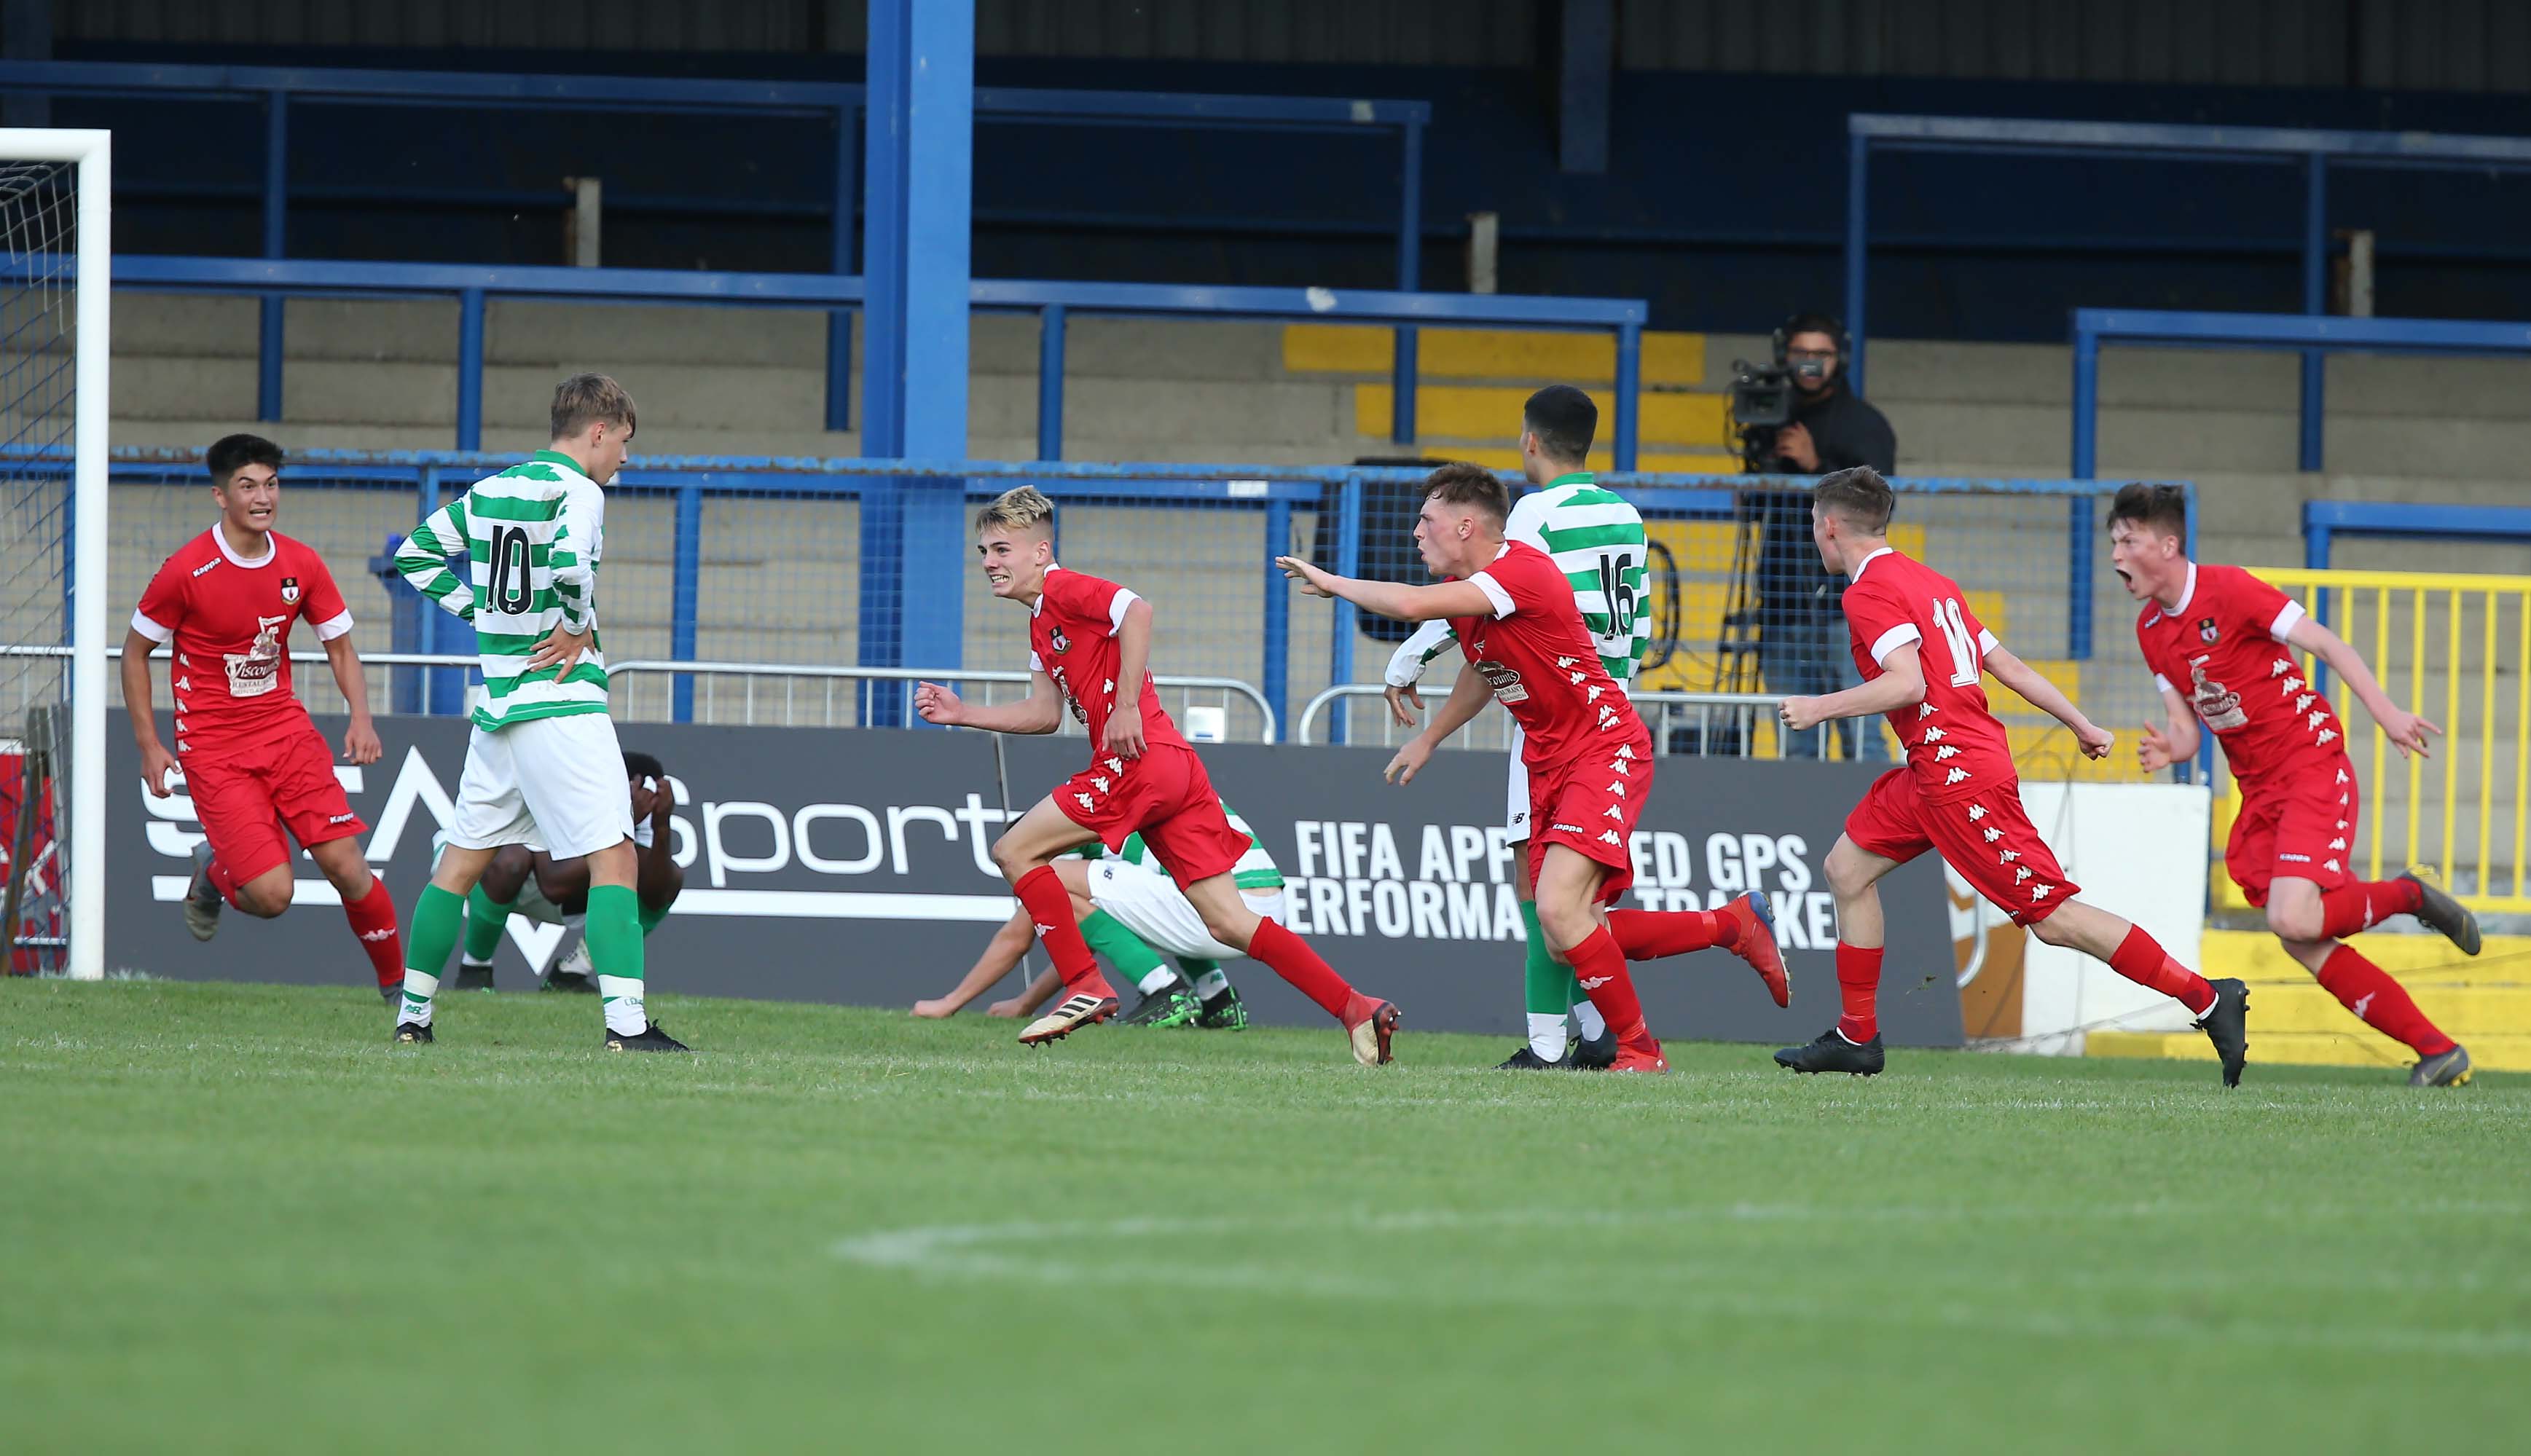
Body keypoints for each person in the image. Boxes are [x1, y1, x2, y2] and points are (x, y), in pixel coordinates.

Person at [1282, 463, 1790, 1075]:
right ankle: (1730, 925)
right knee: (1564, 930)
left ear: (1466, 524)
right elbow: (1483, 672)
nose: (1416, 531)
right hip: (1554, 763)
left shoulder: (1518, 568)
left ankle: (1639, 1049)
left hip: (1604, 749)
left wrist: (1331, 580)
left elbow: (1412, 604)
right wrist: (1432, 739)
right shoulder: (1477, 595)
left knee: (1555, 910)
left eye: (1427, 519)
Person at [1773, 468, 2251, 1083]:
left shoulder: (1865, 593)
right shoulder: (1933, 583)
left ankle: (2207, 998)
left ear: (1830, 526)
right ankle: (1856, 1035)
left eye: (1815, 527)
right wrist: (2081, 723)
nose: (1816, 538)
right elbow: (2007, 666)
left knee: (2054, 918)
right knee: (1846, 869)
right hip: (1931, 772)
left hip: (1959, 777)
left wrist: (1818, 706)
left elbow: (1907, 682)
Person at [915, 487, 1401, 1063]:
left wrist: (1123, 705)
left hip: (1136, 761)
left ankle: (1086, 984)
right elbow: (1044, 714)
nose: (990, 562)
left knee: (1015, 851)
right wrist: (963, 712)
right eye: (983, 551)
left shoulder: (1063, 586)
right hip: (1172, 766)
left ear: (1041, 550)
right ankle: (1355, 1007)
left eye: (1002, 549)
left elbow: (1136, 609)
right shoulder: (1041, 625)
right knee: (1228, 922)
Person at [2109, 483, 2477, 1087]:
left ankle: (2410, 897)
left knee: (2294, 916)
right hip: (2259, 793)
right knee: (2299, 936)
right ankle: (2438, 1051)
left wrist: (2385, 712)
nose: (2117, 553)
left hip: (2309, 765)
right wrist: (2169, 746)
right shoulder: (2151, 628)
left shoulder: (2230, 589)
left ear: (2168, 544)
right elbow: (2187, 728)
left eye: (2129, 539)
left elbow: (2326, 643)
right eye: (2114, 541)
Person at [389, 374, 688, 1052]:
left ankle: (413, 1017)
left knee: (458, 866)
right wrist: (578, 626)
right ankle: (628, 1027)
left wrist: (481, 613)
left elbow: (416, 554)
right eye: (625, 444)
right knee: (615, 858)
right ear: (599, 430)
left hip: (499, 705)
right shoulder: (579, 491)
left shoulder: (492, 489)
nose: (625, 460)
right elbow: (570, 567)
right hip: (561, 700)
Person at [1379, 386, 1665, 1069]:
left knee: (1538, 885)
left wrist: (1408, 658)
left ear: (1528, 441)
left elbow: (1482, 597)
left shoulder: (1533, 515)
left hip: (1556, 710)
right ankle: (1599, 1028)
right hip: (1612, 697)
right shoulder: (1625, 514)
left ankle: (1551, 1041)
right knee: (1571, 897)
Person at [120, 433, 404, 1000]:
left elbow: (340, 646)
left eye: (270, 484)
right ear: (220, 496)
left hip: (284, 732)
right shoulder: (186, 570)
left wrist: (362, 718)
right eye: (248, 485)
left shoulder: (301, 562)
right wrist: (150, 745)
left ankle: (404, 999)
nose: (262, 496)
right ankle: (212, 872)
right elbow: (134, 653)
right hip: (214, 747)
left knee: (347, 865)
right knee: (273, 896)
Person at [914, 800, 1273, 1030]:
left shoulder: (1056, 851)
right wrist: (1026, 1003)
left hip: (1231, 905)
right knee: (1152, 906)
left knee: (1062, 894)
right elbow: (1083, 939)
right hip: (1258, 907)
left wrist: (950, 1003)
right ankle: (1219, 1000)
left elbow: (1017, 937)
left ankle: (1168, 993)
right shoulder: (1095, 811)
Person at [1747, 313, 1896, 762]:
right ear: (1783, 355)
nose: (1810, 363)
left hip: (1849, 605)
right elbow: (1752, 510)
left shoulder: (1866, 425)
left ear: (1841, 358)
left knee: (1864, 735)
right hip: (1781, 603)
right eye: (1800, 353)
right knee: (1796, 737)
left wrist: (1815, 467)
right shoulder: (1768, 419)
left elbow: (1881, 507)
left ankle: (1883, 832)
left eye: (1821, 354)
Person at [447, 752, 683, 994]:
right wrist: (624, 823)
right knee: (511, 862)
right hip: (471, 863)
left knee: (670, 877)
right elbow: (553, 884)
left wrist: (662, 825)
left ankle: (570, 974)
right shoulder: (569, 792)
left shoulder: (639, 812)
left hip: (556, 885)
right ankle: (475, 969)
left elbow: (658, 890)